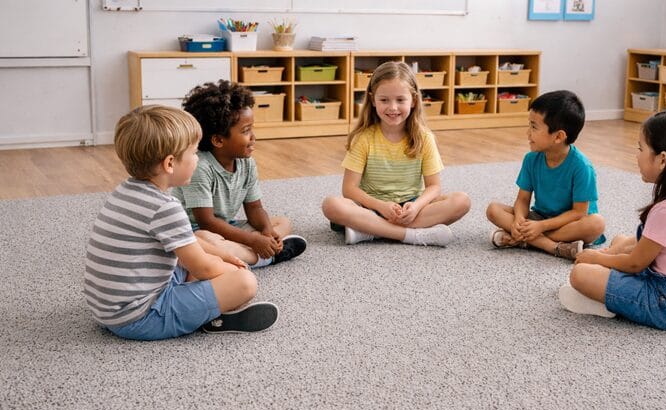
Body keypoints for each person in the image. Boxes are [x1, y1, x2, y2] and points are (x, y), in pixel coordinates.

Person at [83, 105, 279, 340]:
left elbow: (190, 244)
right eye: (194, 153)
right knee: (244, 282)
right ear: (169, 164)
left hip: (109, 311)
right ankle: (209, 318)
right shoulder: (165, 208)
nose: (198, 159)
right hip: (141, 318)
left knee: (201, 247)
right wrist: (233, 269)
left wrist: (224, 256)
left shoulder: (125, 191)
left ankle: (201, 305)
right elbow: (204, 268)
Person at [558, 109, 666, 331]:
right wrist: (609, 253)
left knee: (580, 274)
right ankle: (609, 279)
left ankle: (608, 304)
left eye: (641, 148)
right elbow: (646, 246)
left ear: (663, 159)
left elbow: (635, 264)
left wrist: (596, 258)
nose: (637, 155)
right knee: (620, 240)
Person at [321, 61, 471, 246]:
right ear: (373, 100)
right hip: (371, 208)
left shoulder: (424, 138)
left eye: (400, 100)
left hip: (412, 209)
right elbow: (349, 189)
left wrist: (416, 207)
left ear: (413, 100)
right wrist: (380, 206)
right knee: (332, 205)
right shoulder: (364, 138)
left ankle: (372, 231)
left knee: (461, 201)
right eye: (384, 100)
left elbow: (434, 187)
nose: (393, 107)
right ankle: (410, 235)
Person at [171, 80, 306, 268]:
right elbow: (207, 222)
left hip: (227, 225)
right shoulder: (200, 168)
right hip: (197, 231)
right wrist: (252, 240)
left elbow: (255, 209)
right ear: (218, 140)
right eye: (246, 131)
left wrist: (266, 231)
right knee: (206, 240)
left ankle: (248, 251)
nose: (253, 137)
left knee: (282, 222)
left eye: (252, 128)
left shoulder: (247, 163)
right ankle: (265, 257)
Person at [486, 90, 605, 260]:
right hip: (540, 217)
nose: (528, 133)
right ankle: (552, 247)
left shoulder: (582, 166)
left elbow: (578, 213)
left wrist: (540, 226)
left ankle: (522, 239)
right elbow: (523, 199)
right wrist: (519, 220)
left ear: (558, 137)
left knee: (596, 224)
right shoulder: (531, 159)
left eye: (534, 127)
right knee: (493, 210)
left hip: (569, 223)